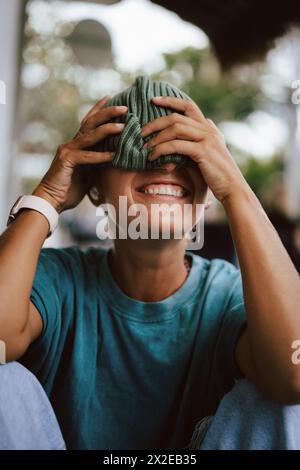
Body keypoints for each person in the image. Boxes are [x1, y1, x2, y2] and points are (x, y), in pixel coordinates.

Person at [0, 76, 299, 450]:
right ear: (93, 187)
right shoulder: (60, 282)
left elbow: (294, 374)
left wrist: (235, 190)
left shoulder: (226, 299)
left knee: (283, 402)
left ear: (207, 192)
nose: (166, 167)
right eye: (137, 153)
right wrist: (47, 198)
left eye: (188, 158)